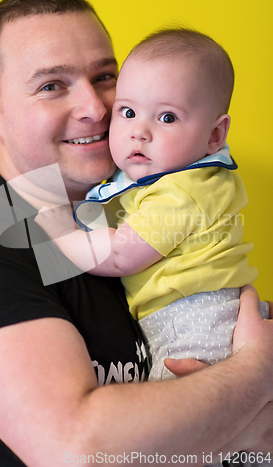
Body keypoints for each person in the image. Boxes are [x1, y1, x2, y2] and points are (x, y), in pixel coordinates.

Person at [0, 0, 272, 467]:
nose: (96, 108)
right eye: (52, 85)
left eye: (105, 76)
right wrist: (256, 375)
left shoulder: (140, 211)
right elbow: (78, 449)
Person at [35, 28, 268, 382]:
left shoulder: (183, 191)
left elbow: (120, 255)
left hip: (194, 322)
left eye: (167, 117)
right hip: (191, 314)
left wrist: (60, 230)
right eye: (127, 111)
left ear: (214, 136)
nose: (138, 131)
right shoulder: (168, 180)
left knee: (175, 416)